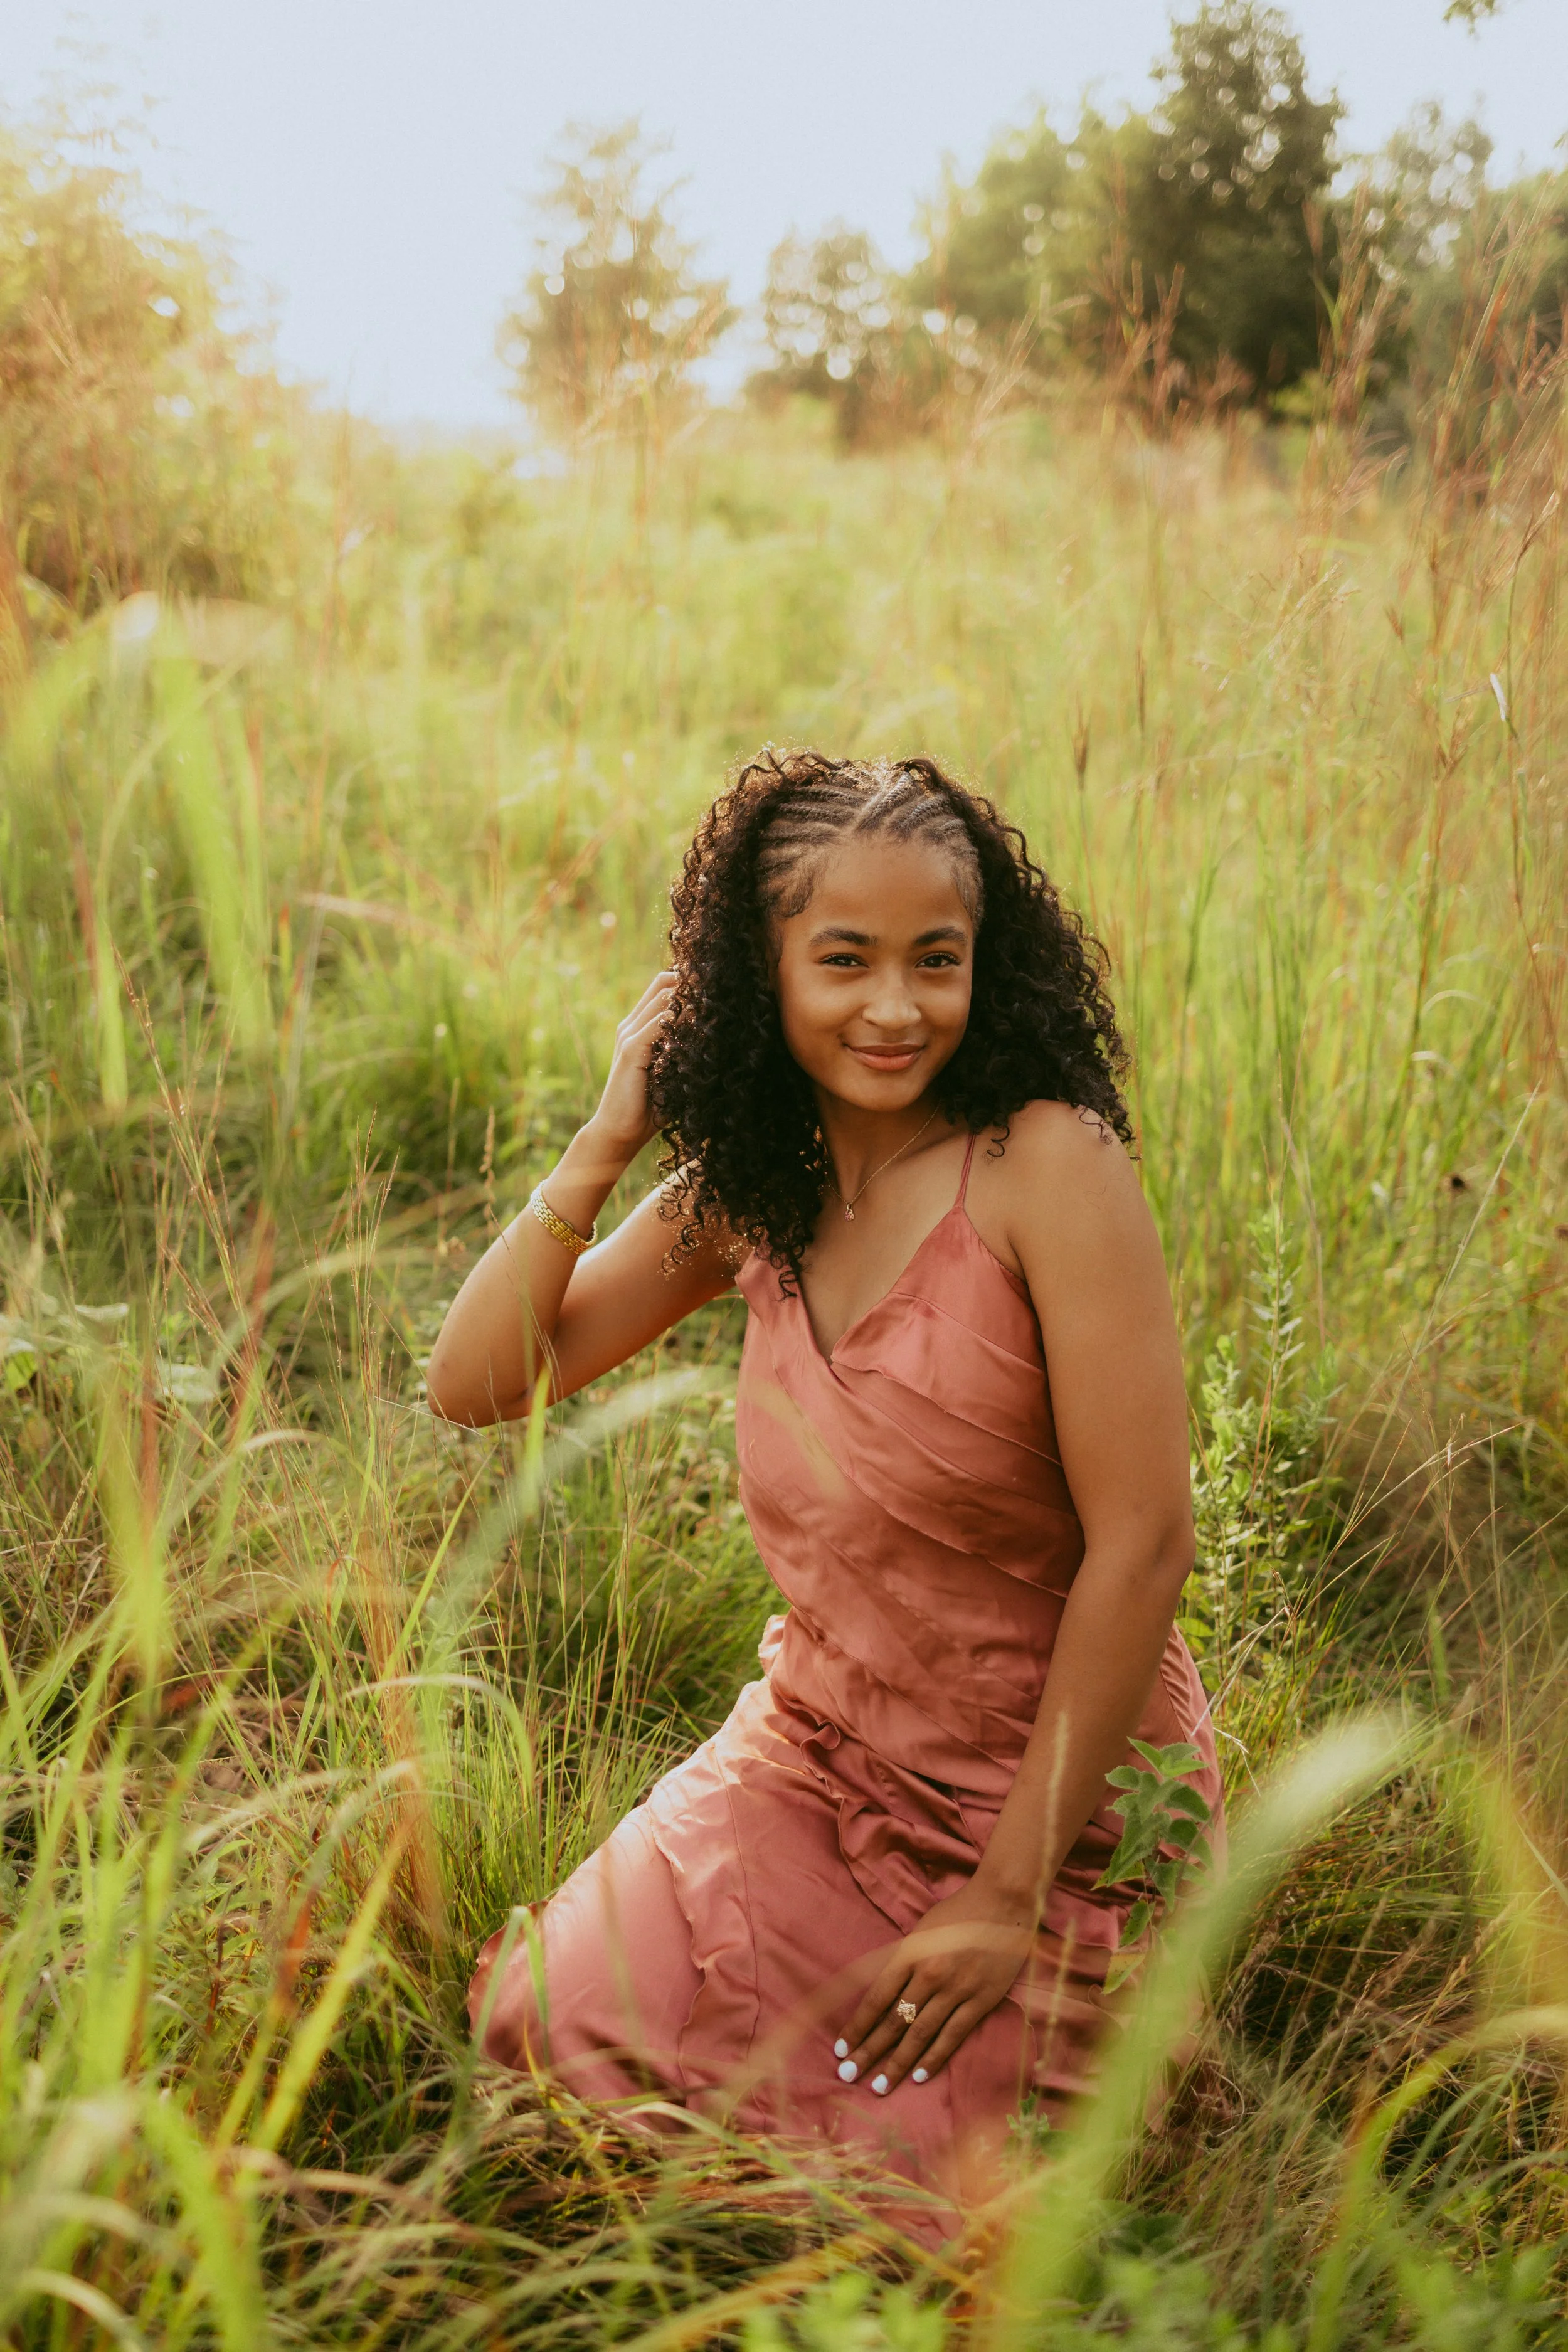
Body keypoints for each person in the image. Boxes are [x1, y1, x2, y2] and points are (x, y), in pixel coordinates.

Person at [427, 747, 1221, 2224]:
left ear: (989, 964)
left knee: (948, 2209)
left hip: (1050, 1799)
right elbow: (477, 1386)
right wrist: (612, 1133)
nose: (895, 1006)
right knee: (544, 2023)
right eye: (841, 959)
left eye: (937, 959)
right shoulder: (753, 1186)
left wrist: (1002, 1898)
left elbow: (1145, 1545)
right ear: (760, 972)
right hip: (816, 1758)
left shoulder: (1048, 1166)